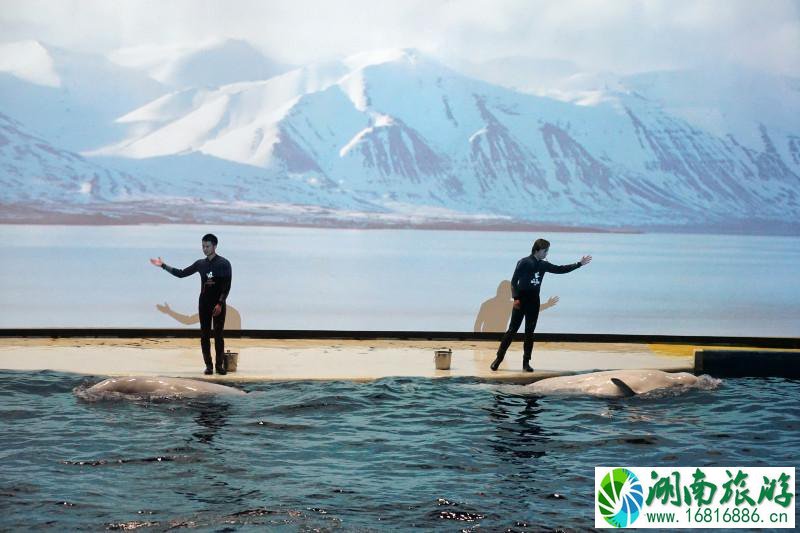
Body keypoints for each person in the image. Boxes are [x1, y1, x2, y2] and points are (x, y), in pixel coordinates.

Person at [491, 238, 591, 372]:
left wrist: (579, 264)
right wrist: (516, 298)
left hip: (534, 301)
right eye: (545, 251)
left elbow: (560, 269)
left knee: (529, 333)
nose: (546, 254)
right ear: (537, 250)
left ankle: (526, 363)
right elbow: (514, 281)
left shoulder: (544, 265)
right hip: (521, 300)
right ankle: (498, 359)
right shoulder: (524, 262)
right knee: (512, 330)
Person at [150, 234, 232, 375]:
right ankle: (209, 366)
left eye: (207, 246)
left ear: (215, 246)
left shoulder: (224, 264)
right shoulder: (201, 264)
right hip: (204, 304)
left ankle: (219, 366)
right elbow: (181, 273)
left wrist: (220, 303)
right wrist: (163, 266)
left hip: (218, 304)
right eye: (203, 246)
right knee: (204, 335)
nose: (204, 249)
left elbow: (226, 286)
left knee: (218, 335)